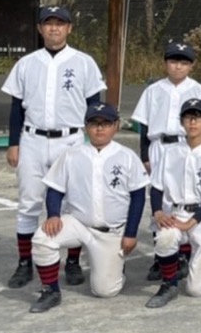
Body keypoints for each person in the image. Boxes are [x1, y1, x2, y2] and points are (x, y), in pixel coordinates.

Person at [2, 6, 106, 289]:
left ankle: (72, 261)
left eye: (60, 23)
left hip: (70, 140)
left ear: (69, 28)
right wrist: (13, 143)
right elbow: (16, 107)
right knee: (29, 203)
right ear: (40, 28)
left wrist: (94, 143)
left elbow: (95, 107)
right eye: (48, 23)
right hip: (32, 140)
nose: (54, 28)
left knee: (73, 203)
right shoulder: (26, 63)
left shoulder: (84, 62)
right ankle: (25, 263)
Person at [28, 102, 148, 312]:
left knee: (104, 291)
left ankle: (115, 265)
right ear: (85, 127)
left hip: (111, 231)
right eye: (94, 123)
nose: (99, 128)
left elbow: (138, 197)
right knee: (42, 239)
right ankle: (51, 291)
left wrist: (131, 233)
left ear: (116, 126)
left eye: (106, 123)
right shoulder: (71, 155)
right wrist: (54, 215)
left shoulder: (127, 156)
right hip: (79, 223)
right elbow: (55, 189)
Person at [132, 41, 201, 281]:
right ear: (165, 63)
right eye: (173, 61)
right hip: (160, 146)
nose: (178, 66)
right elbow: (144, 125)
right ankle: (161, 257)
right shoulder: (153, 90)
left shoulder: (198, 90)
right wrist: (145, 155)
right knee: (161, 202)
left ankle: (183, 255)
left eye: (183, 62)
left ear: (191, 65)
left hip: (187, 145)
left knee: (185, 195)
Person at [145, 99, 201, 308]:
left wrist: (191, 222)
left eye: (197, 118)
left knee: (196, 290)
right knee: (165, 236)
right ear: (182, 122)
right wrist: (158, 212)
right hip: (176, 212)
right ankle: (169, 284)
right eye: (188, 118)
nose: (192, 123)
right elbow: (156, 187)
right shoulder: (170, 152)